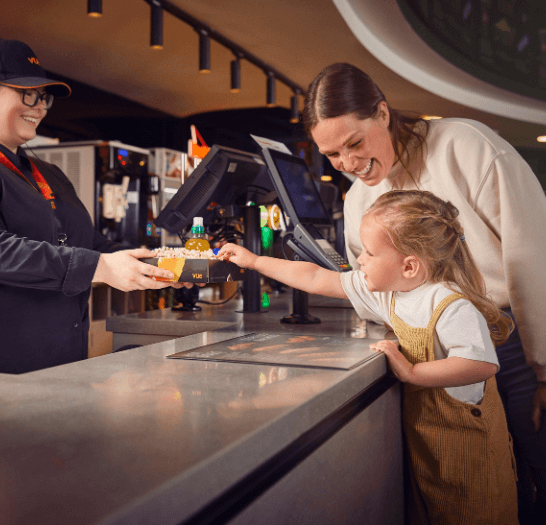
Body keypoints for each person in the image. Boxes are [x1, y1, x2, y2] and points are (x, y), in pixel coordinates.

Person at [303, 62, 546, 524]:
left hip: (512, 340)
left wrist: (545, 366)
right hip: (430, 354)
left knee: (539, 462)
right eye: (332, 155)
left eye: (354, 143)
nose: (349, 164)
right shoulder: (358, 200)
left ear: (382, 113)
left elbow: (533, 253)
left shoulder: (465, 145)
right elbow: (373, 281)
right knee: (486, 482)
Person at [219, 190, 518, 524]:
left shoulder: (450, 305)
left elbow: (480, 364)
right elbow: (317, 277)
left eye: (369, 253)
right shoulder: (390, 291)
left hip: (468, 447)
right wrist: (254, 261)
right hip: (429, 442)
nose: (359, 260)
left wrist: (412, 373)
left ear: (409, 265)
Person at [0, 39, 181, 374]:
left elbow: (91, 244)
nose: (40, 107)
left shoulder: (49, 174)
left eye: (44, 97)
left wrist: (166, 265)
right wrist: (99, 267)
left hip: (42, 359)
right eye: (28, 94)